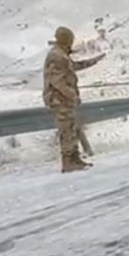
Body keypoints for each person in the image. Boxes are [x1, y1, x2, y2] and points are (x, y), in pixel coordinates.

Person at [43, 27, 105, 173]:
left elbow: (72, 67)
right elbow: (58, 82)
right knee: (66, 129)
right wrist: (73, 96)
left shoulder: (61, 55)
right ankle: (68, 161)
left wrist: (93, 61)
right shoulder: (57, 56)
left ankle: (74, 158)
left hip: (63, 99)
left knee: (72, 127)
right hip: (59, 99)